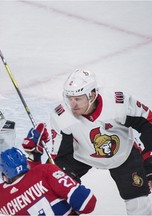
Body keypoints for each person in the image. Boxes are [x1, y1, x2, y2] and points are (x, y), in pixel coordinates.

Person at [22, 69, 152, 215]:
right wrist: (39, 164)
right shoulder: (62, 116)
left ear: (92, 95)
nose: (72, 104)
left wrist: (149, 159)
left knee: (139, 207)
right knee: (53, 186)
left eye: (78, 99)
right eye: (69, 98)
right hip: (81, 154)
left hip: (123, 154)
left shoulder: (116, 102)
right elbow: (59, 155)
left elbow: (148, 122)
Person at [0, 125, 97, 215]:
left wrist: (34, 156)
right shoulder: (46, 171)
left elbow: (27, 185)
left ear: (5, 175)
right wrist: (68, 180)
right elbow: (87, 204)